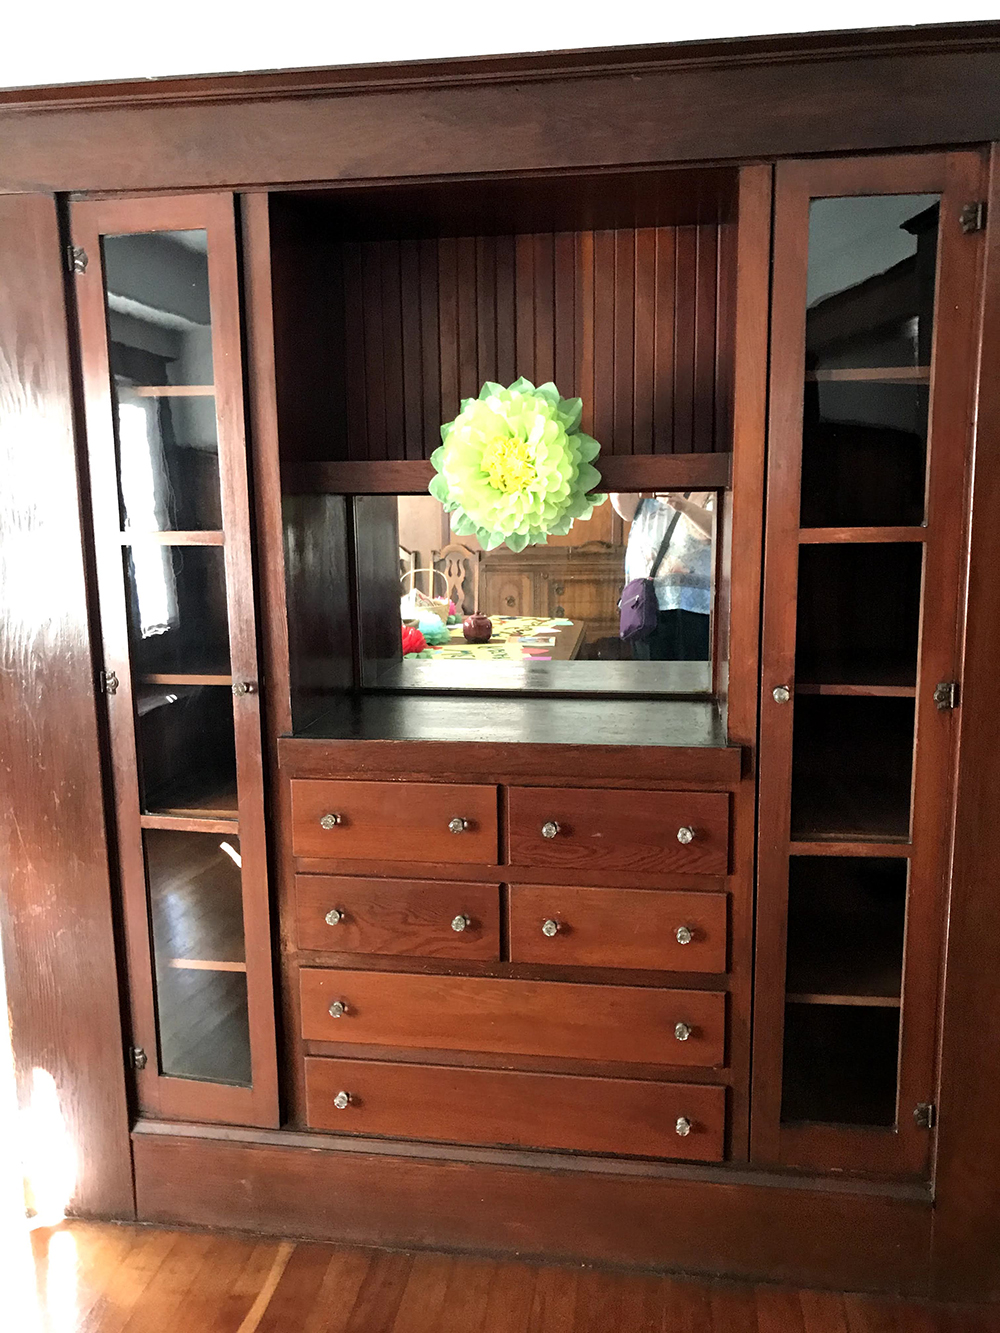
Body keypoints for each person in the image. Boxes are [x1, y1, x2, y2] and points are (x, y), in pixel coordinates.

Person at [609, 491, 714, 660]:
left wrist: (684, 506)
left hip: (694, 605)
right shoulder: (647, 486)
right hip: (645, 603)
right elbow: (625, 510)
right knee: (649, 673)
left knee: (692, 671)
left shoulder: (710, 484)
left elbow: (720, 529)